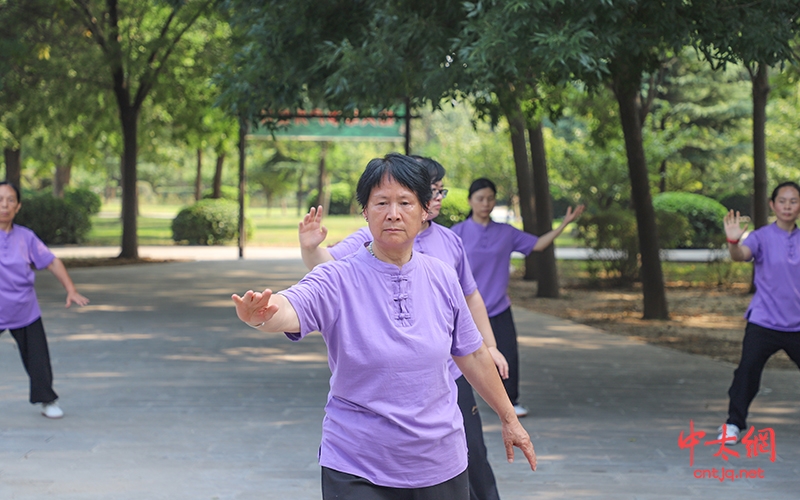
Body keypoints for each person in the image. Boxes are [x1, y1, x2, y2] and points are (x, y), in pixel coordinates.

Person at [234, 154, 535, 499]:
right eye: (381, 202)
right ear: (365, 212)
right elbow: (292, 306)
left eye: (405, 202)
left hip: (439, 460)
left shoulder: (441, 275)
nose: (393, 213)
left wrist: (509, 418)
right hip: (356, 462)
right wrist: (265, 315)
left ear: (425, 210)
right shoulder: (338, 277)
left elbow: (473, 354)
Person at [300, 156, 507, 500]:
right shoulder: (370, 237)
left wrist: (491, 345)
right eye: (434, 189)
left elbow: (470, 298)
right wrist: (310, 249)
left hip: (449, 380)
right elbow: (327, 272)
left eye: (440, 190)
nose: (439, 198)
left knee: (476, 462)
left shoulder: (449, 243)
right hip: (376, 414)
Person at [451, 178, 584, 417]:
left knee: (508, 353)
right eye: (480, 198)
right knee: (460, 357)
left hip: (499, 307)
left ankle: (510, 401)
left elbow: (539, 245)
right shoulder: (456, 234)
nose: (486, 203)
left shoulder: (505, 232)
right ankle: (456, 401)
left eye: (490, 198)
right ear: (470, 201)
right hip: (467, 310)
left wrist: (564, 224)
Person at [717, 181, 800, 443]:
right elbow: (740, 254)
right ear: (772, 205)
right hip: (764, 321)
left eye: (793, 201)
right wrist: (732, 241)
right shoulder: (761, 236)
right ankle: (733, 424)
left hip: (797, 324)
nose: (787, 206)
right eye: (782, 201)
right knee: (747, 372)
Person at [0, 181, 89, 419]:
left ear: (18, 206)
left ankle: (47, 400)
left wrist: (70, 289)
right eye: (0, 200)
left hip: (23, 307)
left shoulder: (26, 237)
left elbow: (50, 261)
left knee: (38, 357)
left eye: (10, 200)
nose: (4, 205)